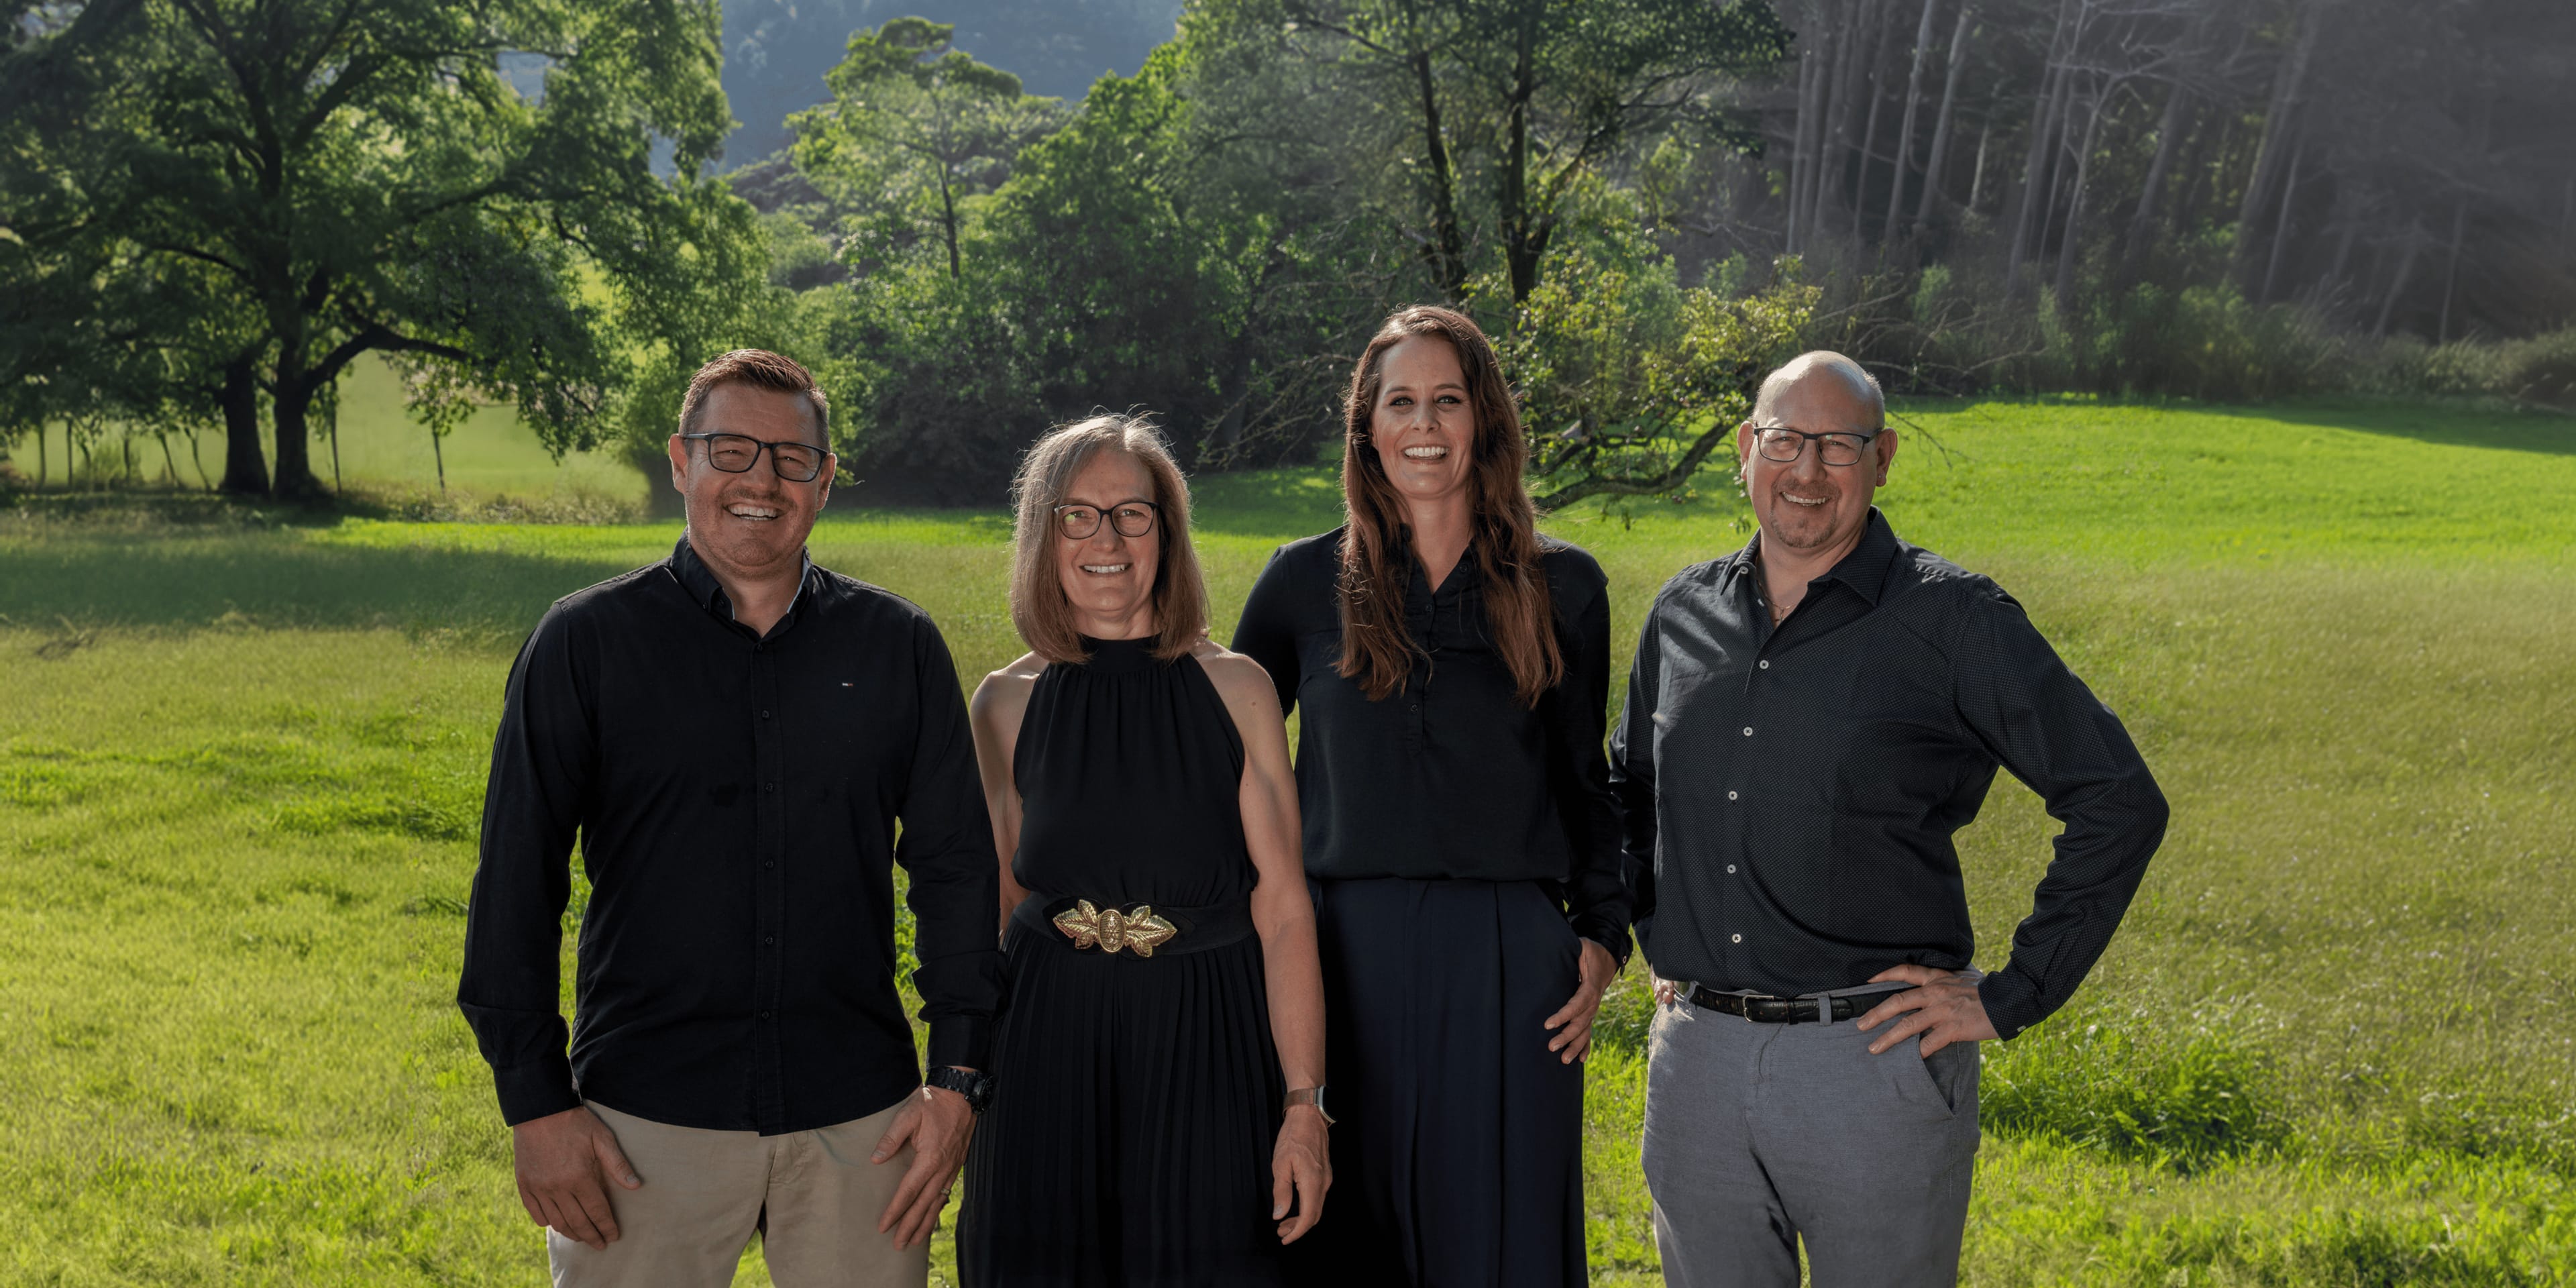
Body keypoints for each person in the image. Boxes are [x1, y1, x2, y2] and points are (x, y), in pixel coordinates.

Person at [1611, 352, 2170, 1286]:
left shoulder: (1953, 620)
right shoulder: (1682, 614)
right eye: (1786, 440)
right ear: (1747, 450)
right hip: (1697, 1065)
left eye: (1839, 445)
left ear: (1884, 459)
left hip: (1870, 1065)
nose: (1807, 471)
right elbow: (1629, 788)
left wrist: (2013, 994)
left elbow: (2116, 796)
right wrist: (1643, 927)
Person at [457, 350, 1004, 1287]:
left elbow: (955, 869)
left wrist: (956, 1079)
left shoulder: (898, 646)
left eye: (793, 458)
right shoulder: (585, 643)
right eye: (732, 450)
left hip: (861, 1125)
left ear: (825, 480)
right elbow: (517, 879)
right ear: (681, 460)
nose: (762, 480)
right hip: (643, 1123)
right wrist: (534, 1104)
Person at [1231, 305, 1631, 1287]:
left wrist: (1603, 938)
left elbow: (1590, 783)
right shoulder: (1297, 585)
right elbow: (1225, 777)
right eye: (1400, 401)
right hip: (1339, 954)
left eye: (1447, 400)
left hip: (1508, 961)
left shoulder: (1563, 585)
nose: (1424, 425)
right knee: (1345, 1233)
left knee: (1501, 1241)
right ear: (1367, 425)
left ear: (1483, 419)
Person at [957, 414, 1331, 1286]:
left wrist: (1305, 1105)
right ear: (1042, 534)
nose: (1107, 538)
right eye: (1077, 515)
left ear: (1168, 530)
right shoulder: (1003, 706)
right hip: (1047, 1042)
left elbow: (1282, 913)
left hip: (1207, 1038)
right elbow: (998, 910)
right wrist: (962, 1080)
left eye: (1133, 513)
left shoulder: (1237, 691)